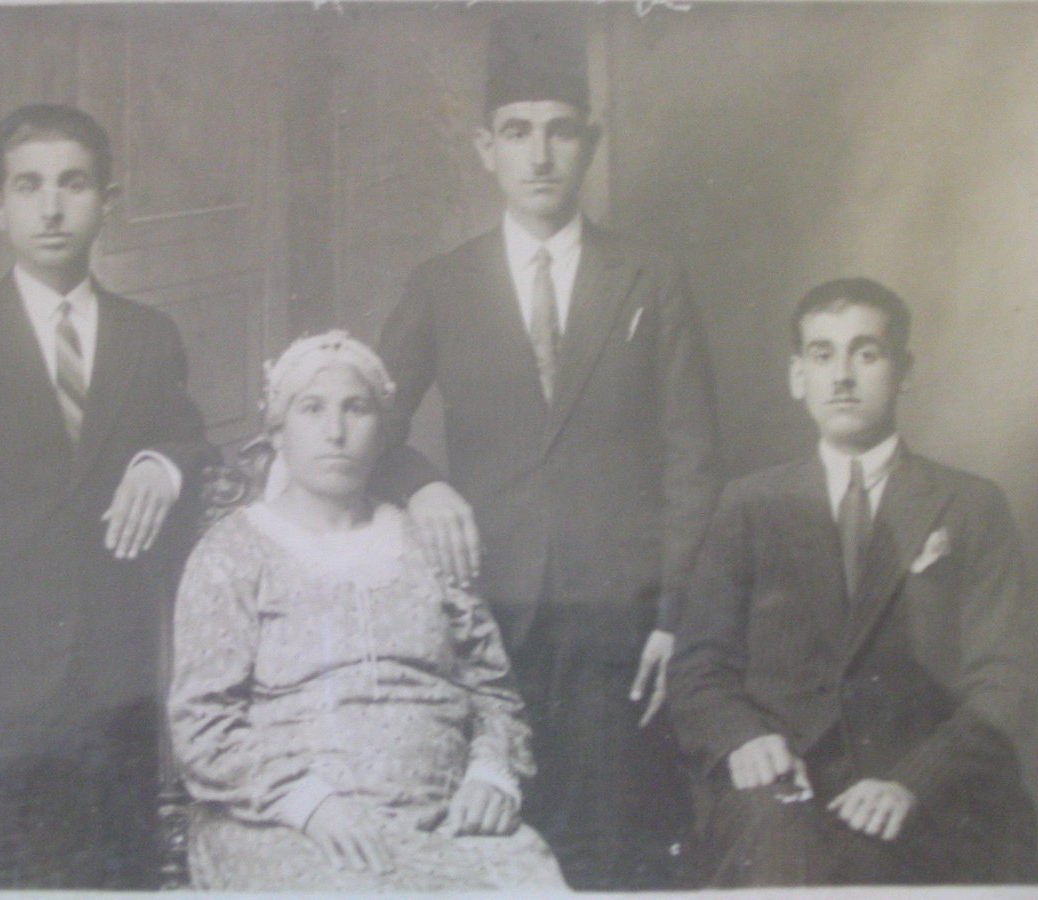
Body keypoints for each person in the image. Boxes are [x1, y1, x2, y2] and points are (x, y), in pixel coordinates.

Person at [373, 11, 720, 889]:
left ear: (589, 144)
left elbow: (694, 458)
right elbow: (364, 423)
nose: (539, 157)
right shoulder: (442, 284)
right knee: (493, 848)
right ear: (485, 147)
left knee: (611, 853)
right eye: (518, 133)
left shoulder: (650, 275)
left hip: (619, 621)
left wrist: (677, 616)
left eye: (561, 132)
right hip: (486, 619)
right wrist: (420, 487)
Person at [0, 104, 216, 888]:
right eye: (29, 187)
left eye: (74, 184)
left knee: (109, 877)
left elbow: (191, 439)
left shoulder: (148, 337)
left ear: (108, 201)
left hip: (111, 684)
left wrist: (163, 463)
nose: (52, 207)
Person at [669, 277, 1038, 885]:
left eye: (865, 354)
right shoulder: (749, 504)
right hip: (785, 792)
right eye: (822, 355)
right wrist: (744, 741)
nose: (842, 376)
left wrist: (913, 783)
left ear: (905, 371)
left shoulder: (971, 505)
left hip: (927, 794)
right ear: (797, 377)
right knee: (779, 852)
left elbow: (1007, 682)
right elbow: (699, 666)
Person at [168, 331, 567, 891]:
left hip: (446, 815)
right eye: (312, 409)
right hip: (291, 824)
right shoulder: (232, 554)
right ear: (278, 432)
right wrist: (311, 805)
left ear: (382, 432)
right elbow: (202, 725)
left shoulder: (427, 542)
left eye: (356, 409)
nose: (335, 432)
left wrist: (491, 775)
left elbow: (495, 692)